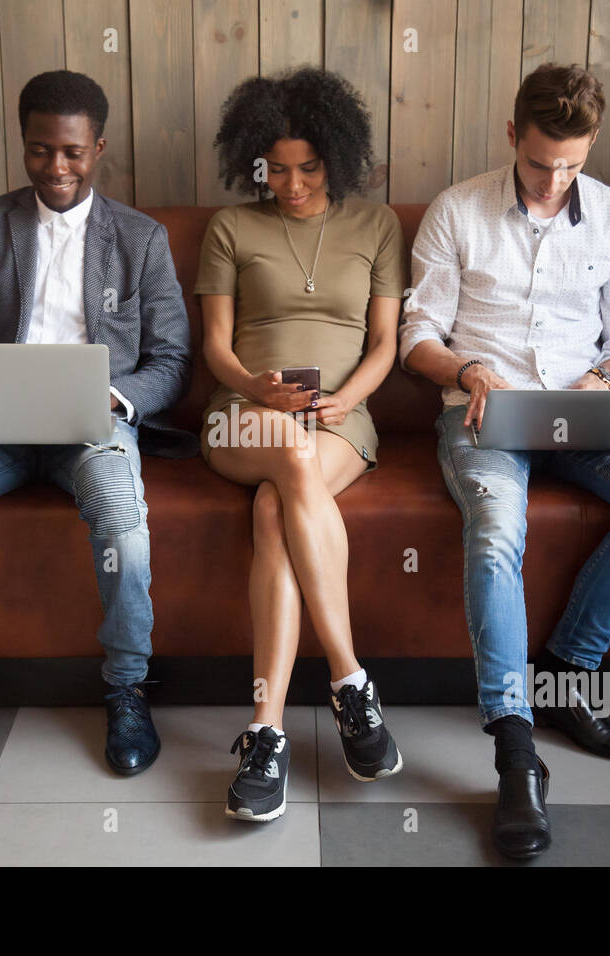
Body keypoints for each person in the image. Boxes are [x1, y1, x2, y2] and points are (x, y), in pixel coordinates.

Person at [401, 63, 610, 857]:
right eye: (539, 163)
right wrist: (466, 370)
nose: (553, 180)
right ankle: (515, 749)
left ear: (592, 143)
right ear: (511, 137)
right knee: (496, 529)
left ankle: (568, 670)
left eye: (571, 163)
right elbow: (415, 335)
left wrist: (604, 378)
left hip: (584, 411)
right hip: (484, 414)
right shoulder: (457, 210)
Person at [0, 70, 192, 784]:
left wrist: (116, 401)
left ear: (98, 148)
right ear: (22, 146)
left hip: (94, 425)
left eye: (71, 152)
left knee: (122, 512)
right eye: (38, 151)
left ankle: (126, 687)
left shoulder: (141, 239)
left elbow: (173, 360)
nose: (55, 169)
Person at [196, 67, 407, 822]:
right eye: (275, 169)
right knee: (285, 458)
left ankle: (267, 731)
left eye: (309, 168)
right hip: (243, 414)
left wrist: (349, 397)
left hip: (342, 417)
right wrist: (258, 390)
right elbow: (217, 349)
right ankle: (351, 681)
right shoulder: (231, 227)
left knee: (270, 512)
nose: (290, 184)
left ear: (337, 160)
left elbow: (385, 343)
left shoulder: (377, 224)